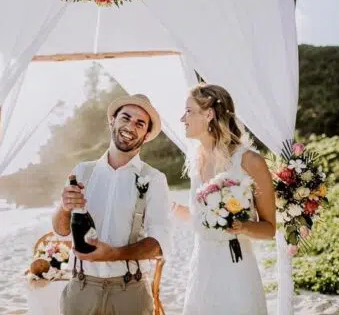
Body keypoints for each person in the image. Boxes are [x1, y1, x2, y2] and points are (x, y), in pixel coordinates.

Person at [52, 93, 172, 315]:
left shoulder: (154, 179)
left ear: (146, 135)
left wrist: (113, 254)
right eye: (125, 118)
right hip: (81, 289)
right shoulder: (82, 171)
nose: (130, 126)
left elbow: (159, 243)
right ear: (112, 121)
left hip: (130, 293)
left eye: (139, 123)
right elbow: (60, 230)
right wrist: (64, 207)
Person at [174, 83, 276, 314]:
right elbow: (200, 219)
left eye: (188, 111)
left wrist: (239, 225)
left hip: (236, 270)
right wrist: (169, 207)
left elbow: (269, 229)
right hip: (201, 268)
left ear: (208, 114)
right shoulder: (195, 161)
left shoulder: (250, 162)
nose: (182, 118)